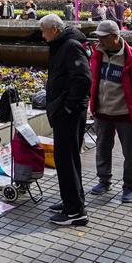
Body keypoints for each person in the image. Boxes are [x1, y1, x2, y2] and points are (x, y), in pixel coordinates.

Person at [89, 20, 132, 204]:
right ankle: (104, 181)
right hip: (102, 113)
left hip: (127, 115)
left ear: (114, 37)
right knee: (102, 149)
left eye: (103, 37)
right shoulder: (98, 55)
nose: (99, 41)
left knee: (131, 154)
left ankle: (129, 187)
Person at [40, 14, 91, 227]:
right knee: (65, 160)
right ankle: (71, 200)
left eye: (44, 31)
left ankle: (75, 211)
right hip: (64, 111)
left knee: (67, 159)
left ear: (54, 29)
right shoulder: (62, 44)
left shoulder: (70, 46)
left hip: (69, 113)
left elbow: (83, 79)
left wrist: (68, 106)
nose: (42, 36)